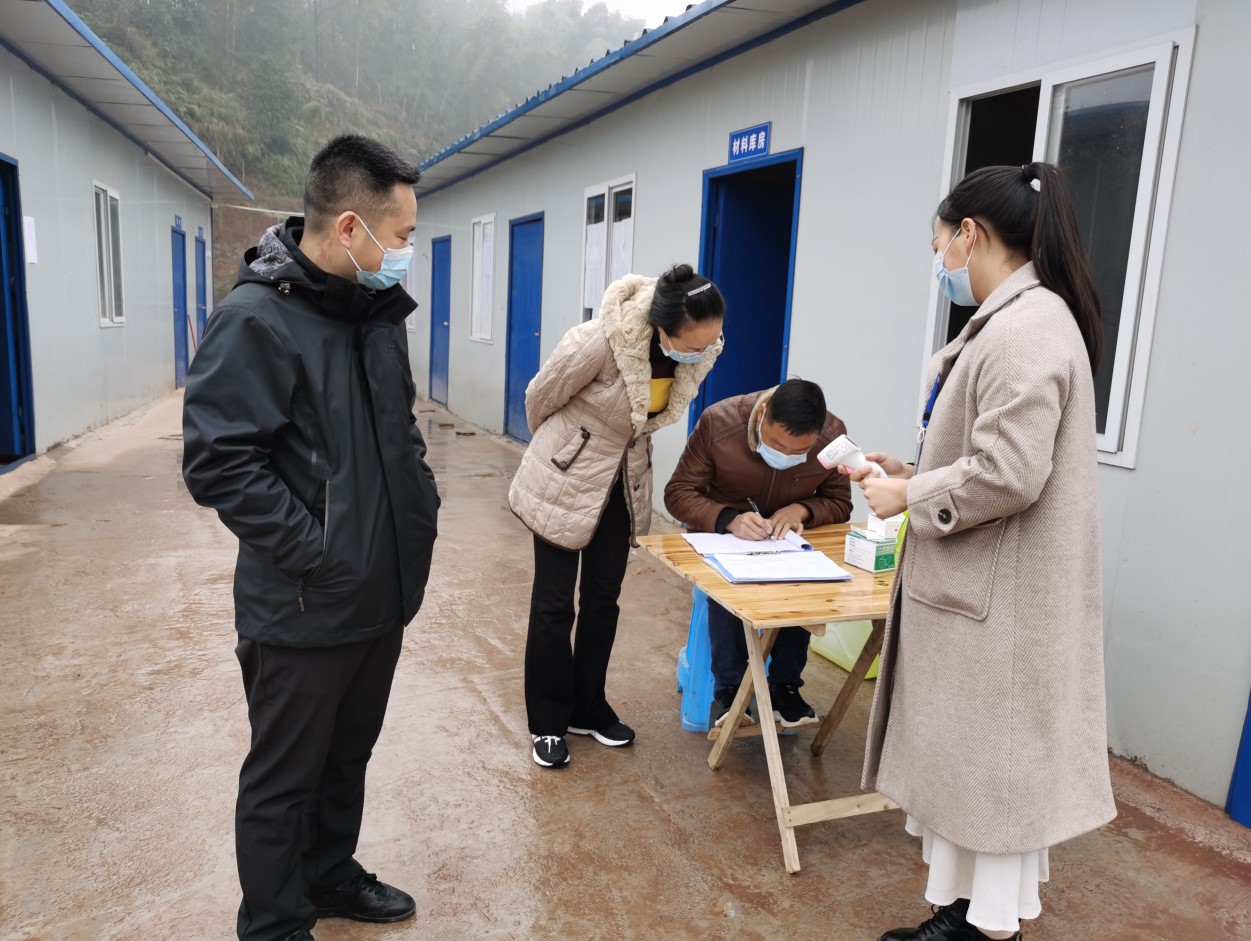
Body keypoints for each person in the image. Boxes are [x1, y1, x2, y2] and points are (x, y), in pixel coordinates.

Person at [845, 162, 1114, 941]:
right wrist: (912, 471)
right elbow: (985, 451)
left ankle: (988, 930)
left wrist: (911, 497)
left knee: (992, 782)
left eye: (938, 244)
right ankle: (963, 916)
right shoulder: (1013, 320)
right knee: (970, 777)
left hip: (998, 603)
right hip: (982, 592)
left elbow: (1008, 472)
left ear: (968, 233)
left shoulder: (1026, 329)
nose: (938, 262)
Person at [182, 135, 440, 941]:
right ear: (351, 226)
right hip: (302, 607)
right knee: (283, 778)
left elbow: (398, 432)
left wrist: (415, 513)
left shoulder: (374, 313)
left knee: (345, 758)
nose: (406, 251)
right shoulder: (255, 319)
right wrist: (318, 554)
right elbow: (219, 462)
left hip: (379, 594)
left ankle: (327, 874)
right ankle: (274, 923)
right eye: (401, 235)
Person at [509, 264, 725, 768]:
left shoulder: (695, 352)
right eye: (694, 344)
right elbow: (540, 398)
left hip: (623, 486)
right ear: (664, 328)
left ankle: (588, 708)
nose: (704, 352)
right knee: (553, 604)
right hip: (565, 480)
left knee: (603, 601)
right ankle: (547, 721)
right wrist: (567, 451)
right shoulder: (600, 341)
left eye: (711, 342)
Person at [663, 379, 853, 727]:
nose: (787, 455)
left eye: (799, 452)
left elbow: (840, 502)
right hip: (723, 540)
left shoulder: (833, 436)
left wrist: (801, 510)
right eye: (778, 444)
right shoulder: (719, 422)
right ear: (762, 414)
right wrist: (728, 519)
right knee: (729, 591)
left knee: (806, 587)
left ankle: (785, 688)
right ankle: (729, 692)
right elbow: (678, 493)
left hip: (786, 544)